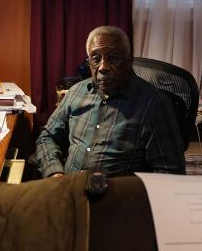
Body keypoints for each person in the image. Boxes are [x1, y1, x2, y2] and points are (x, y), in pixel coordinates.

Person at [36, 26, 185, 178]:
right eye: (95, 59)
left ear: (128, 61)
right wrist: (54, 172)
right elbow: (47, 137)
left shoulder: (154, 105)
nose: (103, 67)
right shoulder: (76, 92)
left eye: (113, 58)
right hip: (67, 186)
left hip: (117, 197)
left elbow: (170, 173)